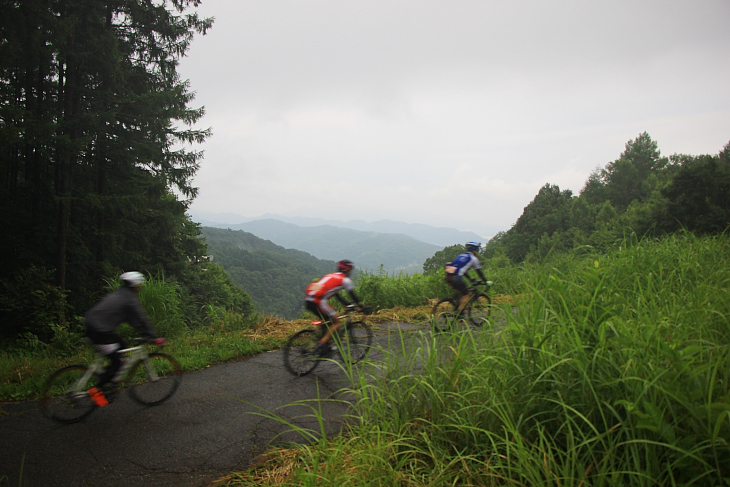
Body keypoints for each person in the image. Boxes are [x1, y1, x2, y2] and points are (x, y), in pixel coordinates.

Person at [84, 271, 161, 406]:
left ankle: (112, 376)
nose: (141, 287)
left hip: (92, 325)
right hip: (100, 331)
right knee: (117, 363)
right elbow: (140, 318)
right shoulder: (129, 299)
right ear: (136, 285)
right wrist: (152, 336)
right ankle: (97, 391)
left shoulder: (119, 294)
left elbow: (132, 320)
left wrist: (142, 331)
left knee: (121, 344)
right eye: (140, 284)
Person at [304, 259, 366, 354]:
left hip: (309, 300)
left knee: (328, 322)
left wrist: (346, 304)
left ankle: (323, 344)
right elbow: (354, 296)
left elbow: (336, 294)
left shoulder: (331, 275)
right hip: (319, 301)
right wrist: (362, 307)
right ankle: (322, 343)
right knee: (337, 322)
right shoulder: (346, 280)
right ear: (348, 270)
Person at [444, 242, 487, 311]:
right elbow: (479, 272)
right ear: (475, 250)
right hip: (457, 278)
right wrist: (485, 281)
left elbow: (462, 270)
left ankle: (456, 306)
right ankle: (458, 313)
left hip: (449, 276)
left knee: (460, 292)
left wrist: (470, 278)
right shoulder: (474, 259)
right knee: (467, 295)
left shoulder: (461, 255)